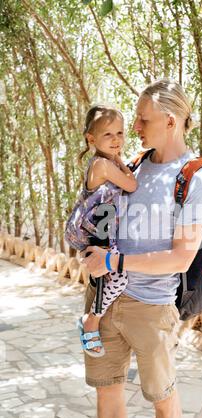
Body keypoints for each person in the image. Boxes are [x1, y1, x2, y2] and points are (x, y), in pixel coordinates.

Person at [81, 79, 202, 418]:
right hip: (104, 300)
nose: (135, 129)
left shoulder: (194, 178)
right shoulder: (133, 166)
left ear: (170, 121)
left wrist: (113, 259)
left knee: (163, 400)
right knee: (107, 392)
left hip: (152, 308)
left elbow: (181, 256)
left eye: (143, 120)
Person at [65, 104, 137, 357]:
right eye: (108, 134)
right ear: (91, 138)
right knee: (117, 278)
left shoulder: (105, 163)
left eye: (120, 133)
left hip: (102, 232)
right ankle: (91, 321)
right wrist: (121, 162)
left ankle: (92, 320)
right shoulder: (104, 166)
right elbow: (131, 184)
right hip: (96, 234)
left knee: (108, 279)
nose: (116, 139)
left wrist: (117, 160)